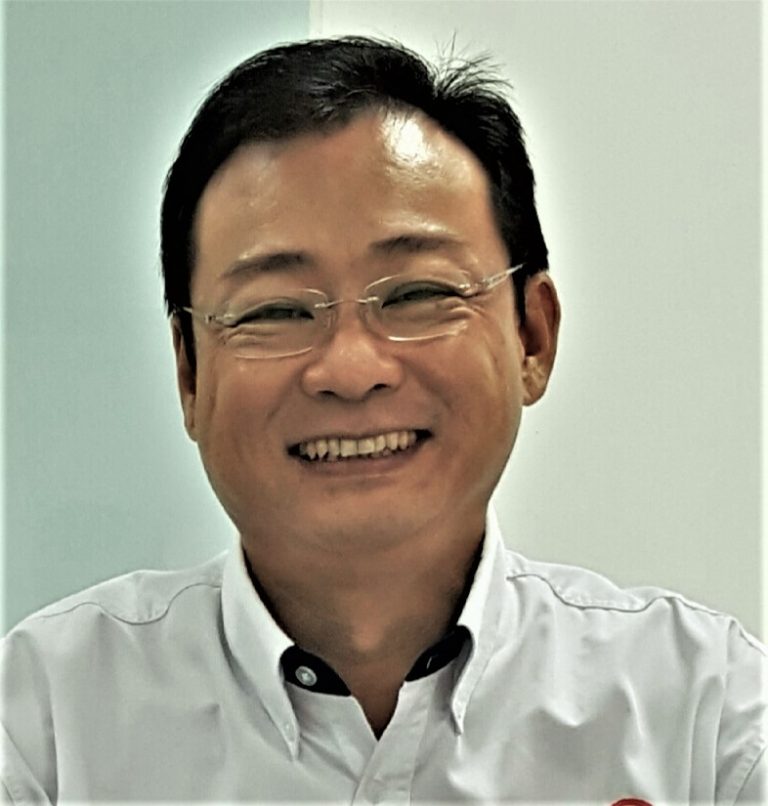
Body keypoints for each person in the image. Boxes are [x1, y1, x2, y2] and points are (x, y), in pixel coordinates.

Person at [1, 36, 764, 804]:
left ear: (532, 336)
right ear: (189, 373)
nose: (350, 368)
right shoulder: (47, 724)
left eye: (417, 295)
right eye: (274, 311)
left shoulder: (704, 718)